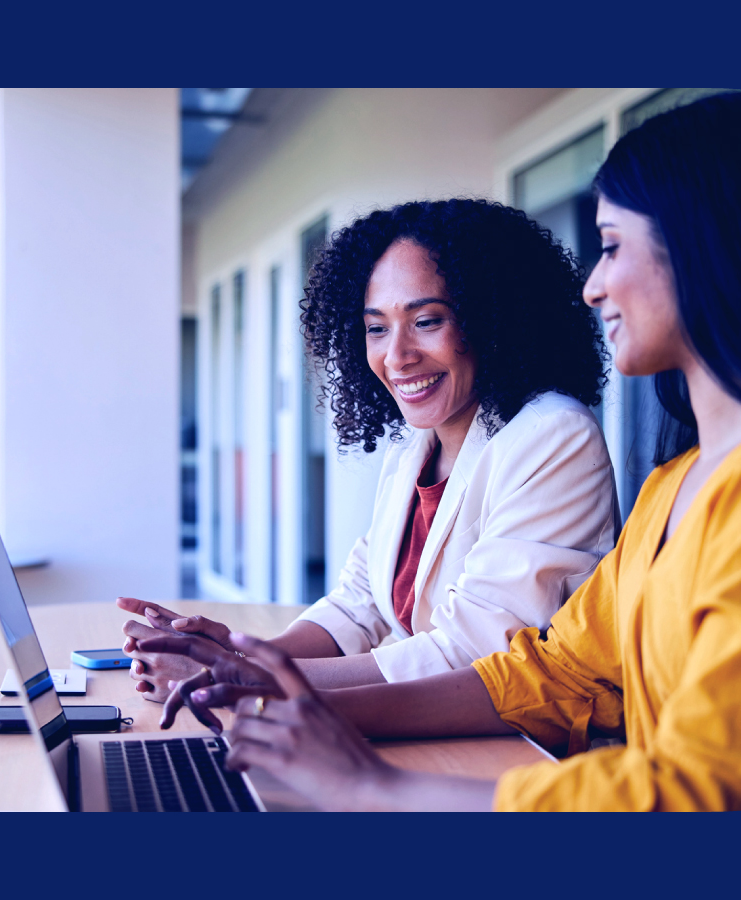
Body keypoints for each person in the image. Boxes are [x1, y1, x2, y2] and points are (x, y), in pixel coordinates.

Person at [146, 92, 741, 812]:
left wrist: (375, 786)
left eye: (610, 248)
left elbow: (704, 791)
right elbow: (556, 668)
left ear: (712, 253)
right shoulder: (678, 484)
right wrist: (301, 704)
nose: (591, 283)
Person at [120, 199, 617, 698]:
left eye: (427, 321)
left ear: (495, 319)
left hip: (505, 751)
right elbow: (362, 604)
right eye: (376, 328)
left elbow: (473, 653)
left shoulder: (554, 436)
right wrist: (237, 652)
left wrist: (248, 677)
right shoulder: (415, 444)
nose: (396, 356)